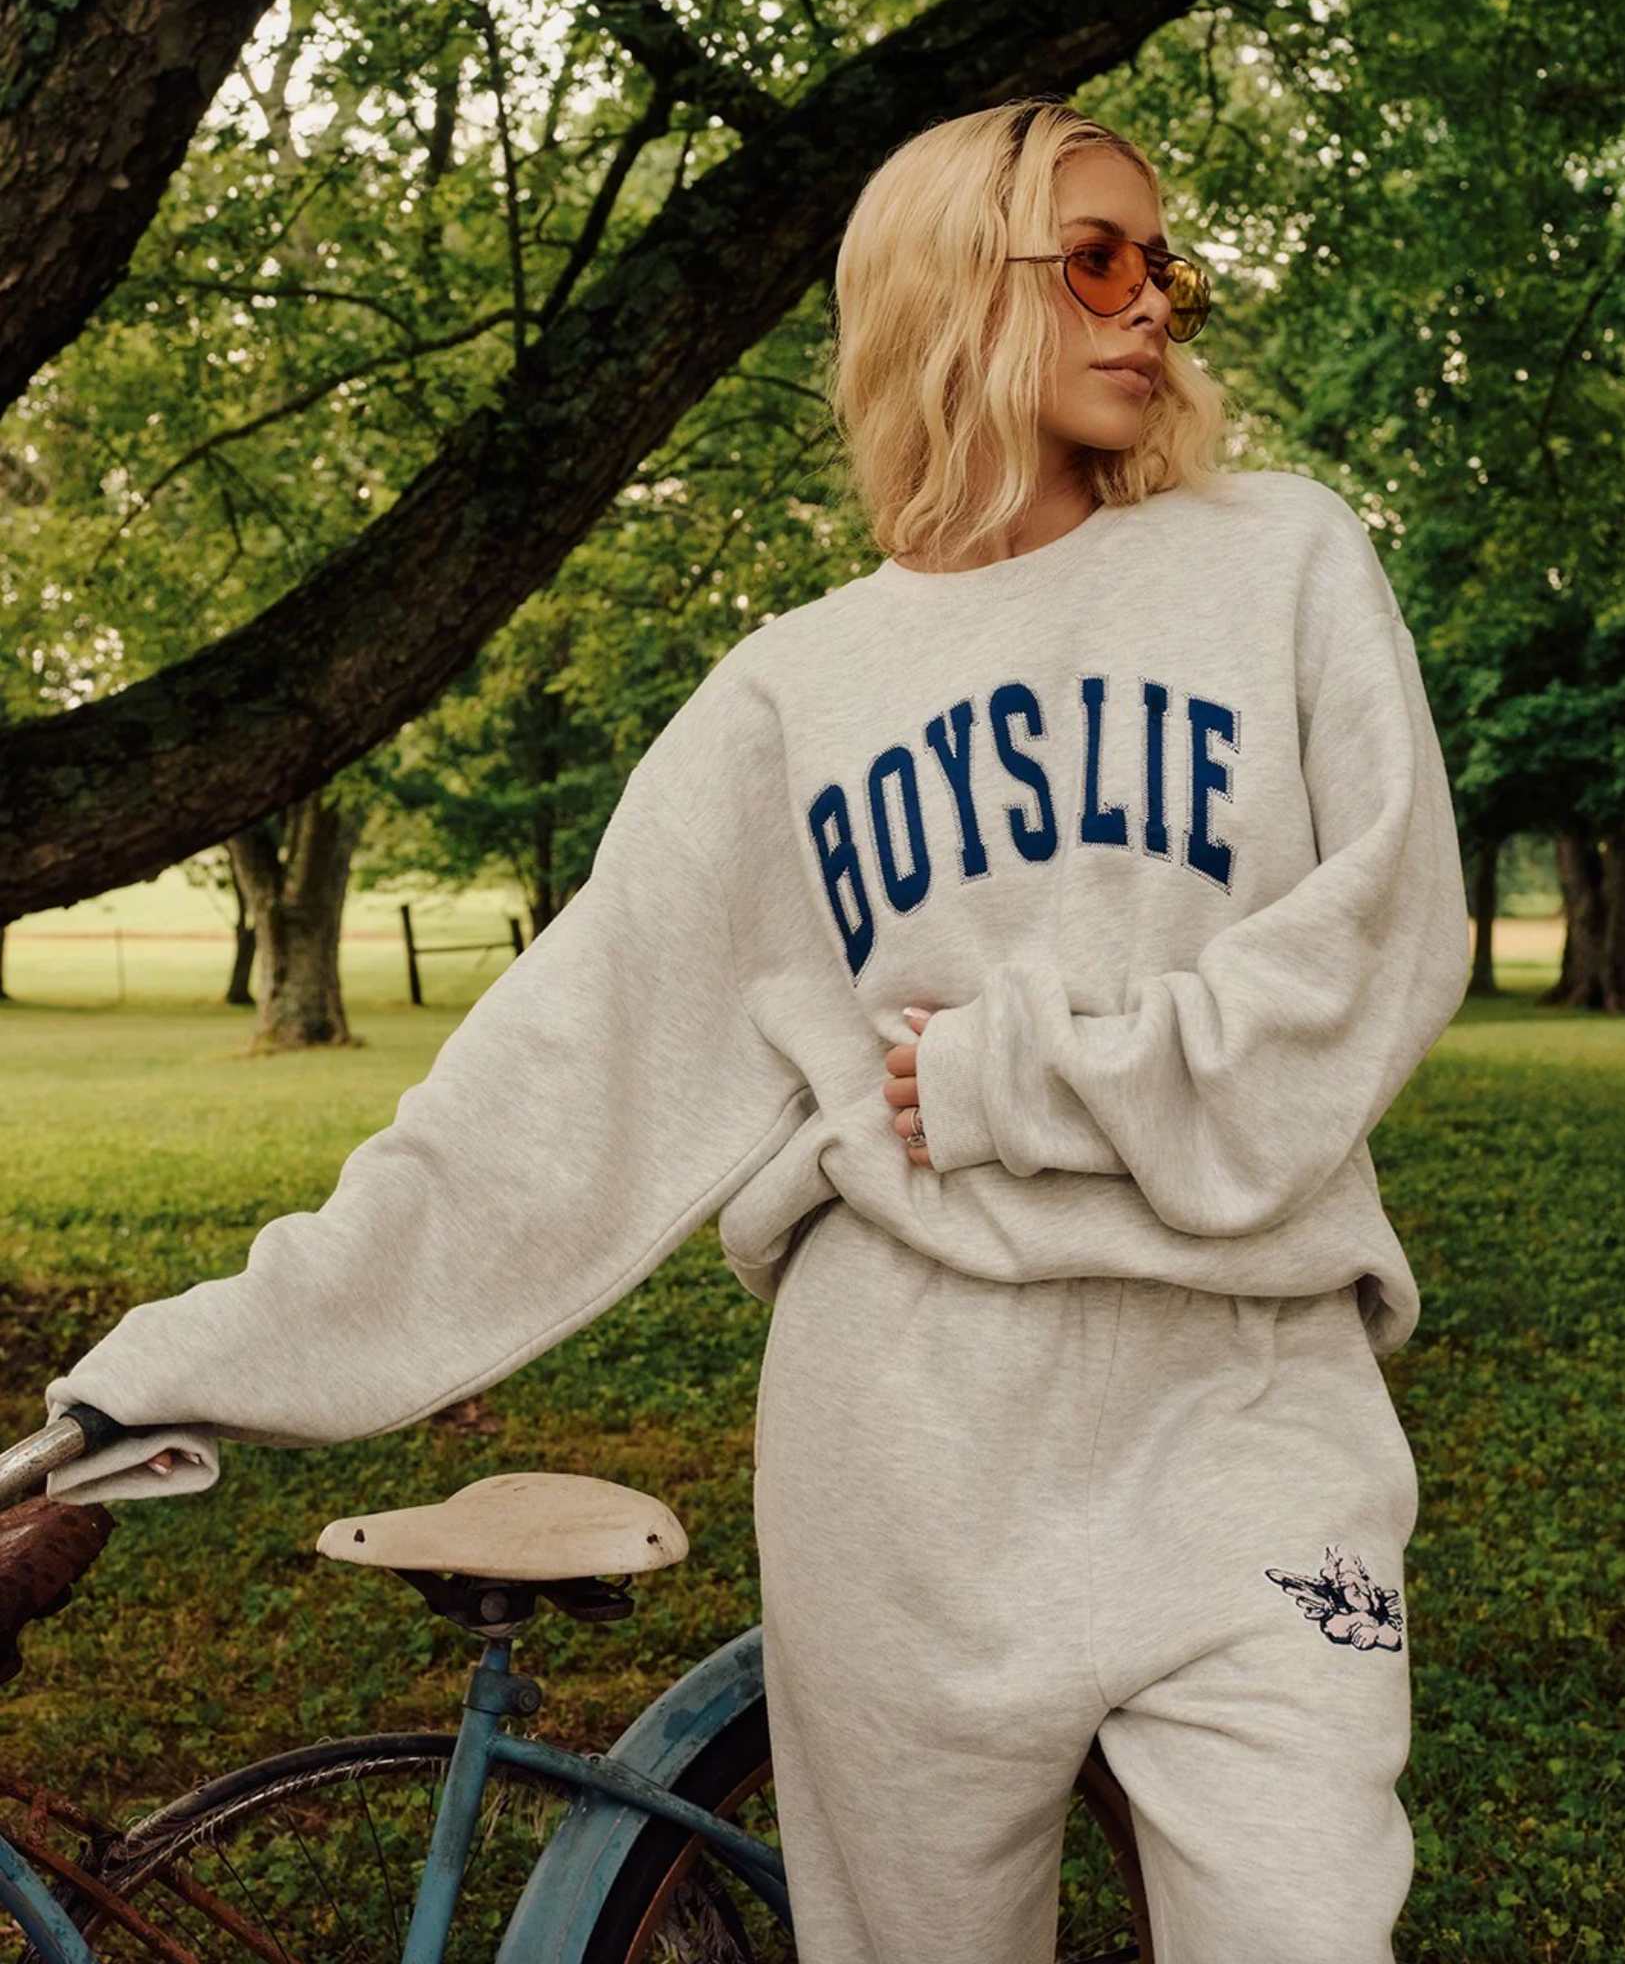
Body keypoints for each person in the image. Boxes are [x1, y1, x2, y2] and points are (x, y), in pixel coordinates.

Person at [40, 97, 1471, 1964]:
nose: (1151, 304)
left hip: (1248, 1409)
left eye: (1164, 268)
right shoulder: (787, 696)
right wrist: (170, 1364)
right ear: (952, 285)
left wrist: (1008, 1078)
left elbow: (1383, 946)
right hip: (907, 1445)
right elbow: (552, 1097)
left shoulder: (1280, 562)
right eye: (1096, 260)